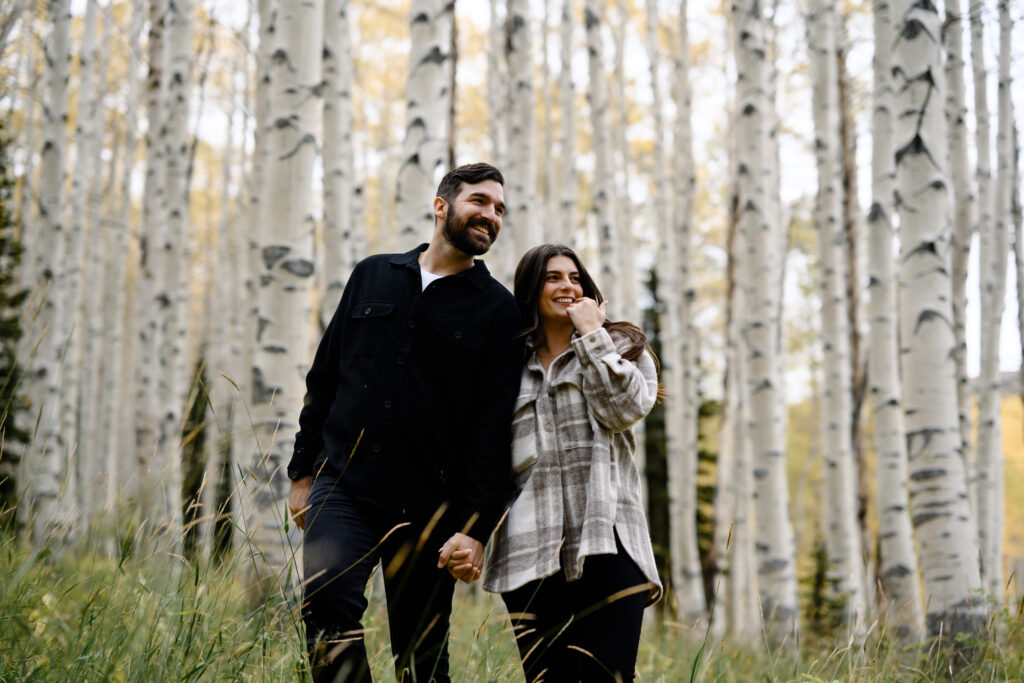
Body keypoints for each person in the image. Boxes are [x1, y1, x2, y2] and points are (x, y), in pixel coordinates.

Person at [287, 163, 523, 683]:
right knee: (325, 609)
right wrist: (302, 471)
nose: (491, 215)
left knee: (421, 657)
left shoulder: (499, 311)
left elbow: (492, 430)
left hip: (429, 508)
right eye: (480, 202)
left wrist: (475, 527)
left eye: (500, 208)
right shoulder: (372, 273)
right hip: (343, 485)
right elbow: (325, 374)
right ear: (442, 206)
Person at [484, 244, 663, 683]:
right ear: (530, 290)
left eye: (574, 277)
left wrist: (591, 337)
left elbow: (622, 410)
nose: (566, 286)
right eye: (552, 277)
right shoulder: (506, 364)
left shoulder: (624, 346)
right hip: (529, 550)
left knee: (607, 675)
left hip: (608, 538)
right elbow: (487, 459)